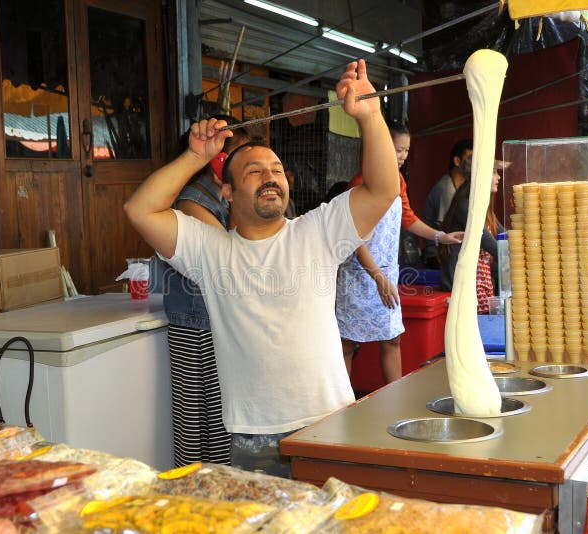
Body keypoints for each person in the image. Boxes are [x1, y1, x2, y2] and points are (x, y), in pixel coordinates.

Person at [124, 59, 400, 477]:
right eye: (254, 172)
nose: (269, 177)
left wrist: (370, 116)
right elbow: (140, 209)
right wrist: (195, 156)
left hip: (329, 423)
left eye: (276, 170)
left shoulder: (318, 230)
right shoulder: (209, 249)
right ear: (227, 191)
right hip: (253, 438)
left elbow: (383, 189)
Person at [338, 122, 463, 384]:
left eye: (406, 150)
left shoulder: (399, 180)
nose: (403, 156)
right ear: (379, 148)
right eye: (397, 150)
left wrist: (441, 236)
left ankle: (394, 395)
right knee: (348, 341)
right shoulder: (360, 184)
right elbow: (355, 237)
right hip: (360, 273)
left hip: (386, 271)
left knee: (392, 337)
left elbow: (408, 218)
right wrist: (377, 276)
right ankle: (342, 402)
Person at [161, 121, 251, 467]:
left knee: (220, 419)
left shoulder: (219, 196)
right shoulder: (192, 201)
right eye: (237, 156)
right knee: (199, 422)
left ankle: (217, 486)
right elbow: (231, 255)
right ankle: (194, 488)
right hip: (196, 326)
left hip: (215, 320)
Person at [438, 166, 504, 313]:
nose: (498, 177)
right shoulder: (466, 207)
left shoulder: (483, 209)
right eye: (493, 172)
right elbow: (494, 248)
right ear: (479, 177)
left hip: (477, 282)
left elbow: (505, 235)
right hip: (461, 286)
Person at [421, 139, 474, 268]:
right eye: (471, 159)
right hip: (438, 256)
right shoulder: (446, 189)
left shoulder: (461, 187)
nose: (475, 163)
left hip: (450, 252)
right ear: (457, 161)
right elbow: (448, 227)